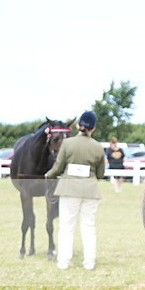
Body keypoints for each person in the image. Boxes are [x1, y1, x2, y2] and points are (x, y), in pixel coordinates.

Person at [45, 111, 105, 271]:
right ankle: (89, 263)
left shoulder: (68, 143)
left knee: (66, 227)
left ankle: (63, 263)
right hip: (90, 191)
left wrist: (48, 175)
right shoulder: (98, 147)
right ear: (93, 128)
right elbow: (100, 174)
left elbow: (58, 167)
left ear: (79, 126)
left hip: (68, 190)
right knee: (89, 227)